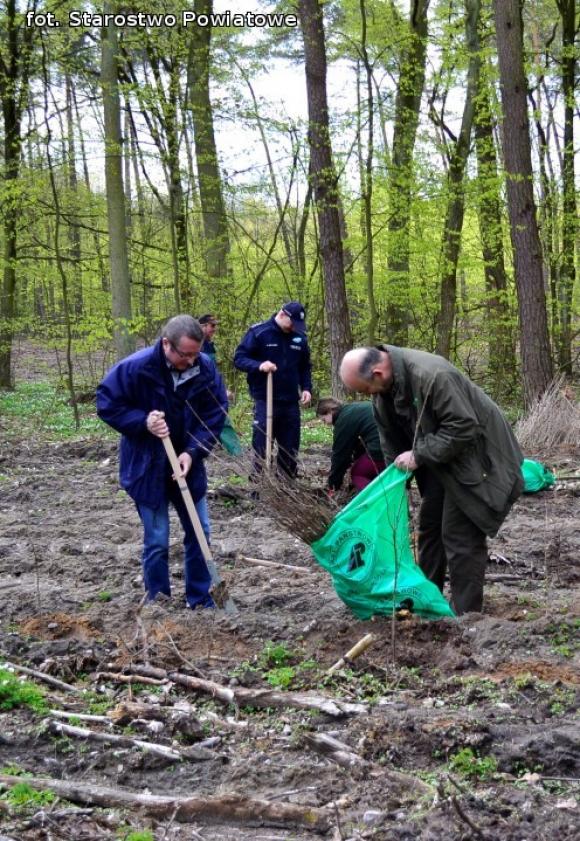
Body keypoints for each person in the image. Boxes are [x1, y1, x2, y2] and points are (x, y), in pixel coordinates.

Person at [340, 345, 524, 615]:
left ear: (378, 372)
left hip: (479, 458)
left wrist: (419, 454)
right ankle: (427, 600)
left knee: (459, 535)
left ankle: (466, 615)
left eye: (364, 389)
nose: (365, 395)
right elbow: (390, 439)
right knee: (430, 528)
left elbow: (463, 426)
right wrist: (394, 484)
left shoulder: (432, 375)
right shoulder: (383, 391)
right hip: (443, 459)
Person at [96, 315, 227, 609]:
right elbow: (107, 403)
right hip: (147, 466)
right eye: (186, 354)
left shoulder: (204, 367)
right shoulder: (137, 368)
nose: (193, 361)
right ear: (167, 344)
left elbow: (215, 413)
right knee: (157, 539)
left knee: (200, 531)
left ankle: (201, 598)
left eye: (197, 353)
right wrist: (143, 422)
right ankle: (159, 601)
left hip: (187, 465)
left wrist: (193, 451)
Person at [234, 302, 312, 478]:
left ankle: (286, 487)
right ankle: (259, 486)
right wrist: (259, 365)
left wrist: (306, 387)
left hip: (291, 401)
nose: (294, 327)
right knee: (262, 444)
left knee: (290, 446)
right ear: (282, 315)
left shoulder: (299, 337)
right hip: (265, 399)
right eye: (292, 323)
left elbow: (305, 366)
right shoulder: (259, 333)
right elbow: (239, 359)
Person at [316, 398, 385, 493]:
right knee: (365, 465)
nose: (326, 424)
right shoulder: (352, 410)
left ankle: (375, 500)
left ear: (330, 411)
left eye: (324, 420)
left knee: (358, 473)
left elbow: (340, 456)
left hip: (383, 448)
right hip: (398, 445)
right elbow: (357, 446)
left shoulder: (343, 421)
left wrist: (333, 485)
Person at [198, 314, 243, 456]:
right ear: (202, 326)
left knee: (219, 417)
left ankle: (235, 451)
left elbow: (213, 371)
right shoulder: (196, 345)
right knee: (220, 416)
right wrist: (221, 390)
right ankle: (237, 453)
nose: (214, 329)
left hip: (211, 388)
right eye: (212, 326)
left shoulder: (209, 345)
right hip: (202, 389)